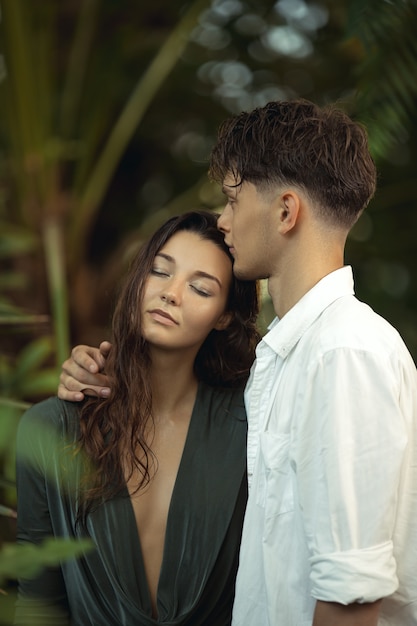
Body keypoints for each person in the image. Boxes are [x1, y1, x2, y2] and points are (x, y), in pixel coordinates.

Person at [58, 100, 417, 626]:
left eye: (232, 198)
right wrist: (117, 376)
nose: (223, 220)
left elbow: (350, 596)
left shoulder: (343, 353)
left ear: (286, 212)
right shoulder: (288, 355)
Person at [15, 210, 261, 626]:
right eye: (160, 272)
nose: (171, 293)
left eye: (200, 289)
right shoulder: (50, 429)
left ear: (223, 316)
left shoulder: (251, 426)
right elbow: (38, 602)